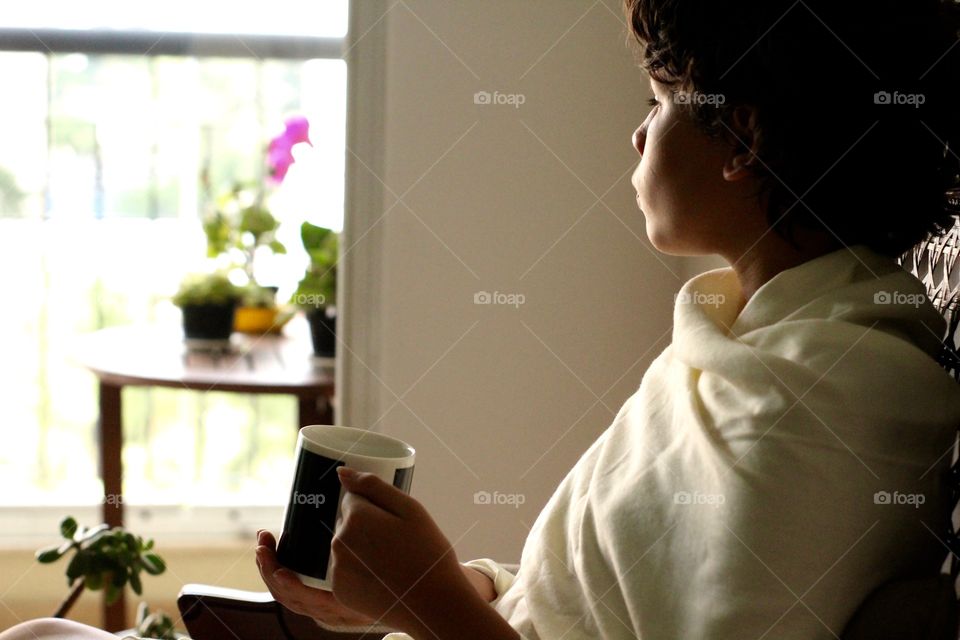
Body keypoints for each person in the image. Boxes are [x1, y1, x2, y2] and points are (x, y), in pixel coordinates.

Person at [5, 0, 959, 638]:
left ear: (740, 141)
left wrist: (425, 604)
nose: (636, 132)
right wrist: (424, 594)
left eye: (662, 101)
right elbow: (588, 603)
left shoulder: (816, 401)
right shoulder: (752, 342)